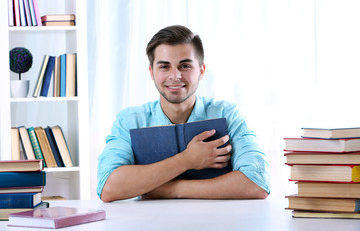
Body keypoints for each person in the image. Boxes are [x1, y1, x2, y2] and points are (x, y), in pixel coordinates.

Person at [97, 25, 270, 202]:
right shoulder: (130, 121)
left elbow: (257, 183)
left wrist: (172, 189)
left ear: (201, 71)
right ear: (151, 72)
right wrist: (186, 160)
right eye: (164, 66)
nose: (175, 75)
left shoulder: (228, 114)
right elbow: (108, 188)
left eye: (185, 66)